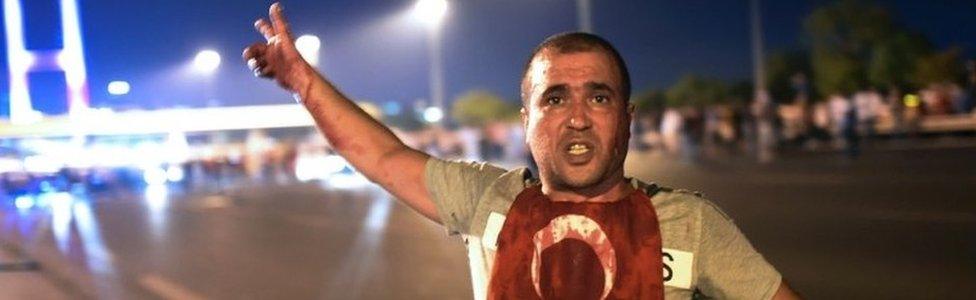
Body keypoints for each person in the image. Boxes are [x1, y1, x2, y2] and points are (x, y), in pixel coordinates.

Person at [243, 3, 801, 299]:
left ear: (627, 120)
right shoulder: (488, 198)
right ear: (527, 122)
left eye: (599, 97)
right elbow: (383, 158)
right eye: (554, 98)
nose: (578, 116)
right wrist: (303, 83)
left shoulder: (692, 224)